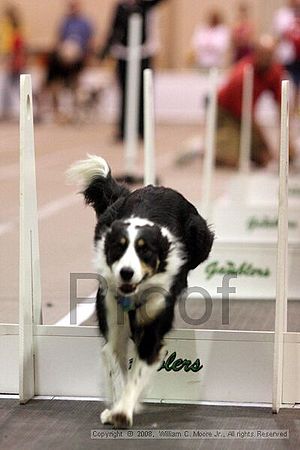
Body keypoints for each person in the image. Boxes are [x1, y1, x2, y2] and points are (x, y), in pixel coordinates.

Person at [216, 35, 295, 168]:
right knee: (232, 160)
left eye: (270, 54)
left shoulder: (274, 71)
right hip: (226, 111)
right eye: (263, 54)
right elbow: (247, 119)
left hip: (244, 114)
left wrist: (287, 141)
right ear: (255, 53)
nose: (267, 58)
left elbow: (282, 107)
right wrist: (265, 145)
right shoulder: (242, 76)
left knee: (262, 158)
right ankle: (211, 145)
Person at [98, 0, 167, 141]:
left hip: (143, 53)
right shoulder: (120, 7)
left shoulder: (146, 5)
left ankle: (142, 130)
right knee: (124, 93)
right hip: (123, 54)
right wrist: (104, 51)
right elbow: (114, 29)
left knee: (143, 93)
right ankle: (124, 129)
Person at [42, 0, 94, 122]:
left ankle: (76, 113)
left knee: (75, 86)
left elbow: (91, 42)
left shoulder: (85, 23)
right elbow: (58, 40)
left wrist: (88, 56)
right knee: (54, 83)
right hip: (62, 59)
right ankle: (57, 113)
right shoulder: (65, 22)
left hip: (78, 58)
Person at [273, 0, 300, 114]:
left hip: (298, 57)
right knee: (285, 83)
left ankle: (295, 110)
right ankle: (284, 110)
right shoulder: (282, 14)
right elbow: (279, 33)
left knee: (297, 85)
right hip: (286, 56)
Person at [0, 5, 26, 120]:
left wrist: (10, 61)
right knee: (8, 87)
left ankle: (15, 110)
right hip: (10, 60)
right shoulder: (7, 30)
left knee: (13, 87)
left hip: (14, 62)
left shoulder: (16, 33)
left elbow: (15, 50)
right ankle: (8, 110)